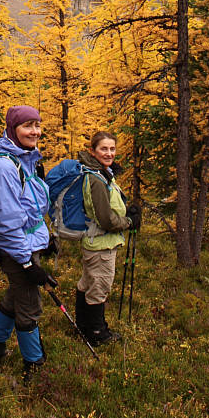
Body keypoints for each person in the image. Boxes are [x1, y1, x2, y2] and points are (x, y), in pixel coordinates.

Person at [0, 105, 53, 376]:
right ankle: (34, 365)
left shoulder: (26, 159)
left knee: (15, 296)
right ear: (13, 129)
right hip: (16, 249)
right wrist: (26, 263)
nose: (35, 131)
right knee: (29, 306)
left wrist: (45, 238)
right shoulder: (4, 167)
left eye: (37, 125)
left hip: (27, 244)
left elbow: (30, 208)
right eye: (27, 126)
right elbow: (9, 223)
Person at [75, 131, 141, 345]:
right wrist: (129, 222)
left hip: (94, 242)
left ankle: (82, 327)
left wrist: (126, 212)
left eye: (112, 149)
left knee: (88, 283)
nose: (109, 153)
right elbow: (106, 219)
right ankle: (97, 332)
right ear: (92, 151)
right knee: (99, 286)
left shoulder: (100, 174)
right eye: (103, 148)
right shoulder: (96, 179)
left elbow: (108, 209)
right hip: (101, 244)